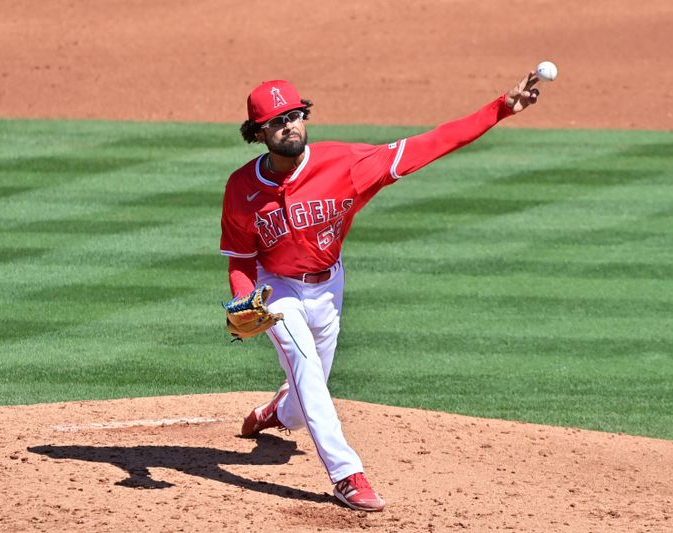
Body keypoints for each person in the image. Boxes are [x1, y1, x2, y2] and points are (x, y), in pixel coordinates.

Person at [220, 71, 542, 511]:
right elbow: (241, 259)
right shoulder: (242, 188)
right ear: (260, 132)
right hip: (276, 289)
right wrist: (243, 298)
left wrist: (500, 108)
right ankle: (347, 475)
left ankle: (280, 411)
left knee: (301, 401)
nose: (290, 125)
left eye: (295, 115)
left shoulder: (346, 163)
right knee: (302, 360)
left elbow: (432, 143)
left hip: (329, 286)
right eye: (277, 121)